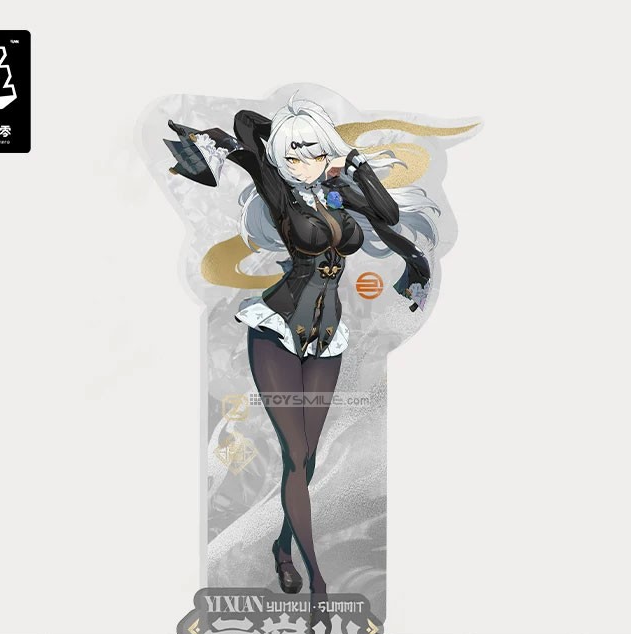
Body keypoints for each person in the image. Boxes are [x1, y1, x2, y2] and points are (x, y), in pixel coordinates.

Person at [164, 93, 440, 607]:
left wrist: (352, 163)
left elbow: (385, 213)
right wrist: (267, 142)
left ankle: (281, 546)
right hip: (276, 331)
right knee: (295, 454)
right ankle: (316, 582)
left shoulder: (339, 193)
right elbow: (245, 123)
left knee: (307, 458)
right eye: (291, 153)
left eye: (310, 151)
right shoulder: (276, 189)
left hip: (328, 335)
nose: (300, 162)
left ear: (327, 150)